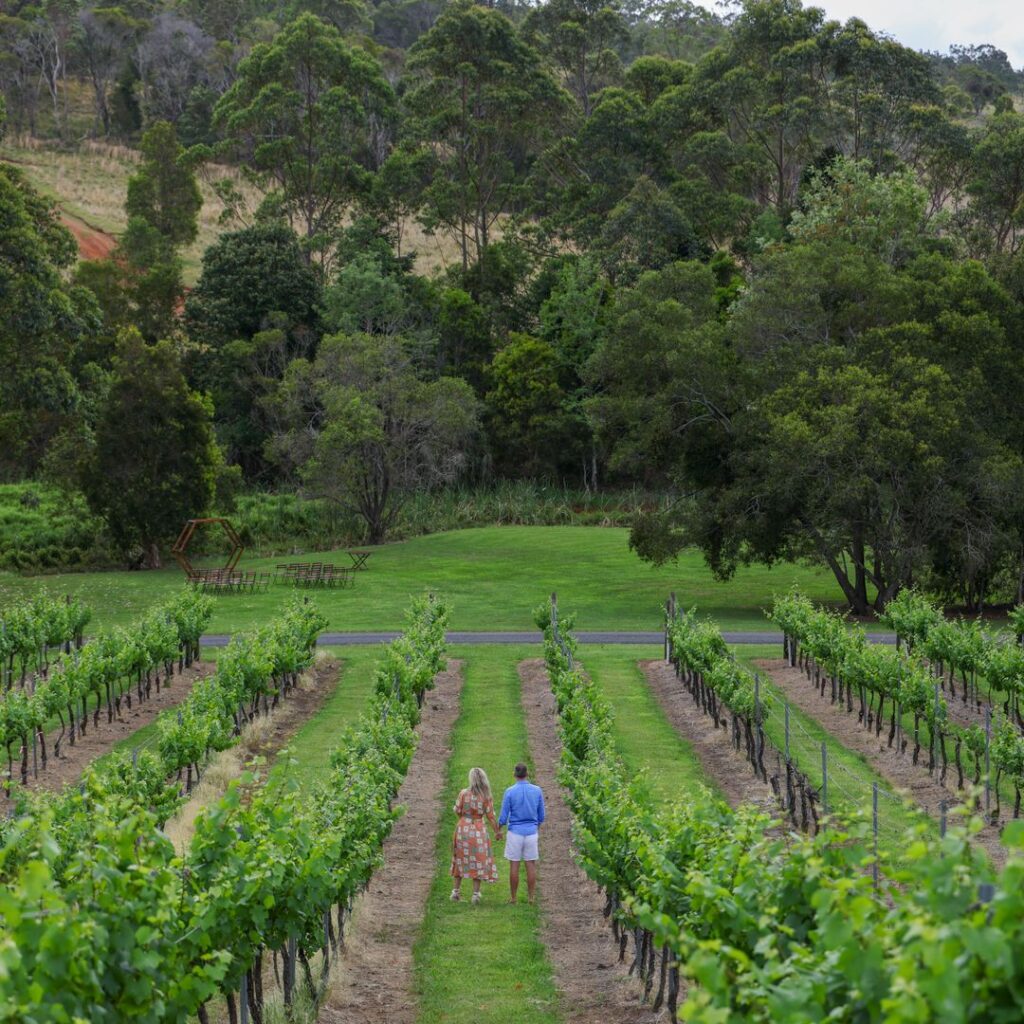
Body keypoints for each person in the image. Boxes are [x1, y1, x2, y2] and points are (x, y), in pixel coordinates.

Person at [450, 767, 502, 904]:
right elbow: (490, 817)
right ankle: (475, 895)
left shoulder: (463, 793)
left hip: (463, 828)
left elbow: (457, 810)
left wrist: (463, 819)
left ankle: (455, 892)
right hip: (478, 828)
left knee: (459, 858)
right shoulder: (486, 796)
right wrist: (497, 831)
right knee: (478, 860)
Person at [498, 762, 545, 904]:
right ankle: (531, 897)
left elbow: (503, 815)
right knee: (531, 865)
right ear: (527, 774)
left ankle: (513, 898)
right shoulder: (537, 791)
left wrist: (499, 828)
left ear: (515, 774)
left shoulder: (510, 791)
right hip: (531, 832)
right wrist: (537, 826)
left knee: (514, 865)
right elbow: (541, 815)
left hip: (515, 833)